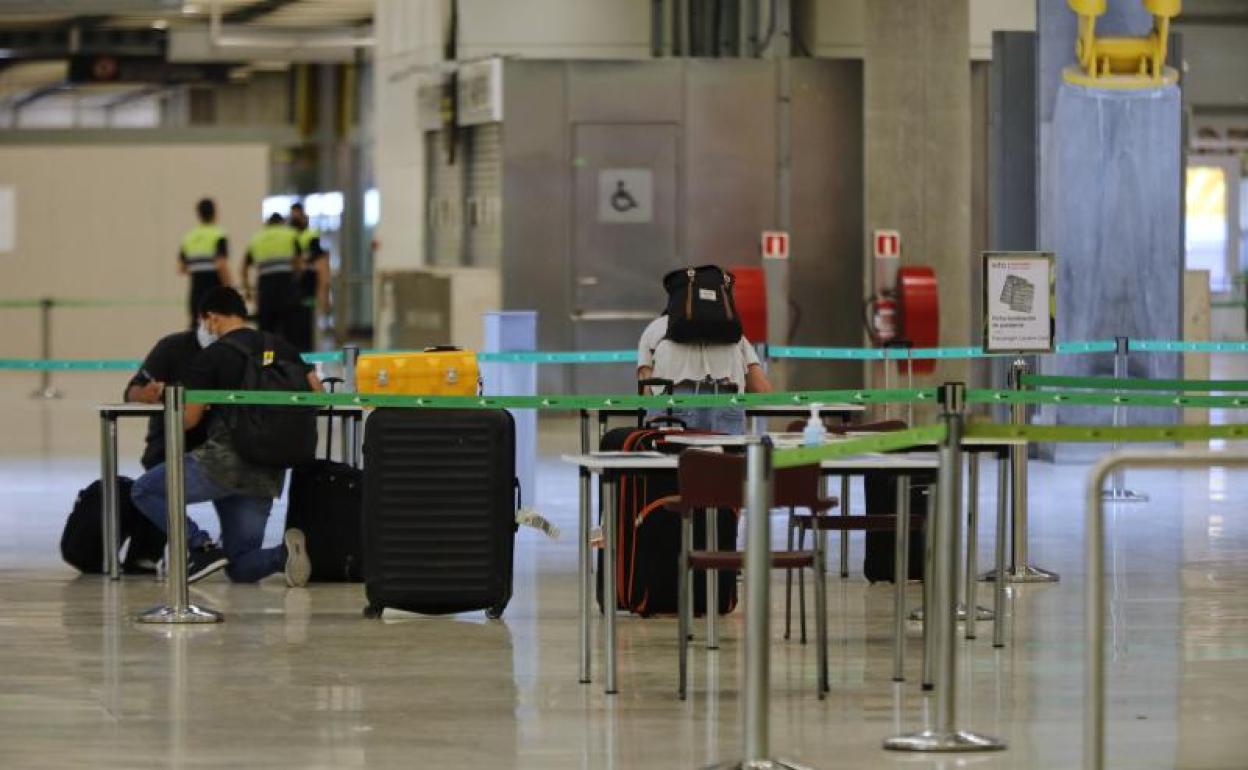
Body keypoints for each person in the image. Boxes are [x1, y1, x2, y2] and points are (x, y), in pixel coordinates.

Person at [130, 287, 317, 586]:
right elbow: (316, 395)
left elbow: (188, 421)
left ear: (212, 318)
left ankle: (201, 546)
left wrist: (169, 407)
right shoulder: (281, 346)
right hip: (269, 470)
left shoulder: (213, 355)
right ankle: (282, 556)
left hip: (222, 463)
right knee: (239, 565)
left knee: (145, 490)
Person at [637, 313, 772, 435]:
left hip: (673, 407)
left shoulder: (655, 328)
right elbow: (762, 389)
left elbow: (646, 390)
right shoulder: (732, 331)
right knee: (727, 461)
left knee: (674, 460)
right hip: (727, 405)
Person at [124, 327, 209, 471]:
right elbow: (132, 391)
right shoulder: (171, 346)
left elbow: (188, 420)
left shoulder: (255, 347)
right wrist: (144, 394)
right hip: (168, 451)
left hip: (228, 459)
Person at [241, 213, 302, 340]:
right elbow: (298, 262)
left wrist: (248, 290)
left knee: (267, 331)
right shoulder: (290, 235)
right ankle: (288, 357)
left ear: (267, 224)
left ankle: (268, 358)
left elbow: (243, 268)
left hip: (265, 286)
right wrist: (296, 281)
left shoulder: (257, 239)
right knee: (289, 327)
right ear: (282, 223)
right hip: (286, 285)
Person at [178, 198, 231, 327]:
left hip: (196, 287)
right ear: (215, 213)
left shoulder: (189, 237)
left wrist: (198, 268)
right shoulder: (218, 235)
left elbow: (180, 268)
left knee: (197, 327)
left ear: (199, 214)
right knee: (217, 327)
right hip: (214, 286)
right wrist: (228, 287)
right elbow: (221, 265)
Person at [287, 202, 331, 353]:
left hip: (307, 287)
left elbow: (321, 264)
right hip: (293, 289)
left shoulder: (310, 237)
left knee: (308, 329)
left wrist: (322, 293)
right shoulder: (288, 236)